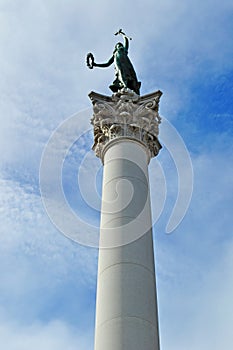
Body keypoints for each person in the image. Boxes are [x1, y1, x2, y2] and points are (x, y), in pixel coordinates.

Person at [87, 30, 141, 95]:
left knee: (130, 75)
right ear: (115, 47)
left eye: (120, 44)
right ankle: (125, 86)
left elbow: (126, 41)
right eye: (118, 45)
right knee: (120, 73)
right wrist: (96, 64)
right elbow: (107, 64)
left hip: (127, 65)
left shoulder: (123, 50)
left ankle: (128, 87)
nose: (119, 45)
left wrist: (122, 34)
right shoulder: (115, 55)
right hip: (118, 65)